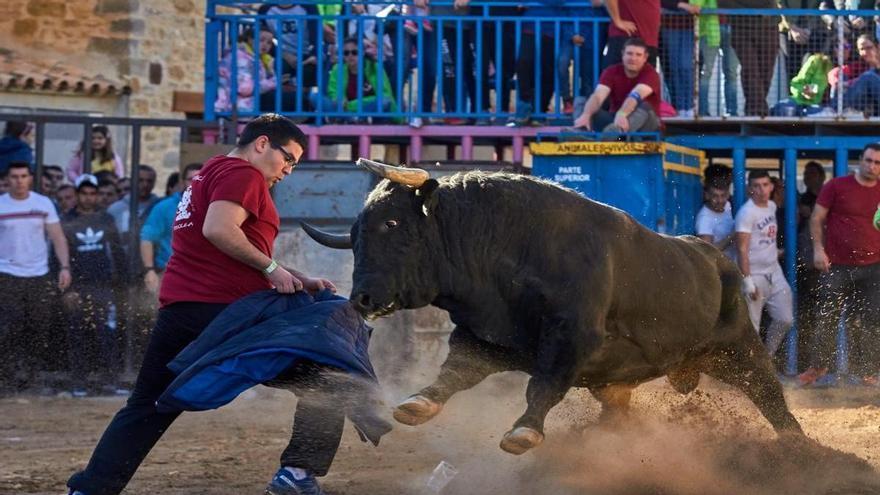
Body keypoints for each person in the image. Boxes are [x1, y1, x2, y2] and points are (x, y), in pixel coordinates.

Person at [67, 114, 340, 495]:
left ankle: (90, 489)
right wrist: (273, 268)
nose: (289, 170)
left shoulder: (210, 172)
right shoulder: (243, 175)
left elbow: (232, 246)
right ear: (262, 144)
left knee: (147, 404)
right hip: (230, 315)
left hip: (183, 309)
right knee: (331, 375)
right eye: (289, 158)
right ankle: (297, 474)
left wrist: (295, 275)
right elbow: (218, 230)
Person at [799, 143, 880, 386]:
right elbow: (816, 218)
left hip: (874, 265)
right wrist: (818, 250)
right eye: (868, 160)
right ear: (859, 159)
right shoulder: (836, 185)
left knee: (872, 320)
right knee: (827, 316)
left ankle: (870, 373)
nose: (872, 166)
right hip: (838, 265)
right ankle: (817, 368)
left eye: (877, 162)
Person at [0, 162, 71, 392]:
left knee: (39, 327)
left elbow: (57, 236)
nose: (19, 181)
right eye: (14, 176)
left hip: (38, 275)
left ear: (30, 178)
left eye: (23, 176)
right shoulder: (1, 204)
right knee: (9, 327)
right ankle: (8, 378)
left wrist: (65, 266)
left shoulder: (43, 203)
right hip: (7, 273)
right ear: (7, 179)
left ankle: (32, 377)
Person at [60, 174, 125, 396]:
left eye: (92, 193)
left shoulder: (106, 219)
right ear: (77, 195)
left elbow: (117, 253)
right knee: (77, 335)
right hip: (77, 287)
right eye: (84, 193)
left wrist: (122, 286)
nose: (88, 198)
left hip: (103, 286)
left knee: (107, 334)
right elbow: (58, 257)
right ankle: (79, 383)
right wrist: (66, 289)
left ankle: (111, 381)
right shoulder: (66, 219)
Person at [734, 170, 794, 358]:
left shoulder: (771, 207)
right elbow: (742, 249)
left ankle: (766, 358)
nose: (761, 190)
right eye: (756, 186)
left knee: (785, 319)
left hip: (774, 271)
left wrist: (774, 252)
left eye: (765, 184)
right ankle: (749, 373)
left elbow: (765, 238)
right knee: (751, 328)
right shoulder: (746, 213)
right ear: (750, 189)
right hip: (755, 274)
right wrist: (748, 280)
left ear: (771, 186)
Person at [573, 37, 662, 134]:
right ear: (622, 54)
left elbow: (635, 96)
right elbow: (598, 96)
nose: (633, 58)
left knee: (645, 106)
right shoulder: (611, 71)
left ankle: (616, 136)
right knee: (581, 101)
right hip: (616, 120)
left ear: (645, 58)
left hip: (645, 126)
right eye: (629, 53)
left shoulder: (651, 74)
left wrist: (622, 113)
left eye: (638, 55)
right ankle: (581, 131)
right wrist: (586, 114)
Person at [140, 163, 203, 295]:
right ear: (182, 182)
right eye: (191, 179)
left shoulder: (214, 206)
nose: (196, 183)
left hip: (203, 275)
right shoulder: (164, 207)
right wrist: (150, 270)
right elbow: (147, 238)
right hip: (169, 273)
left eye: (200, 179)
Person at [310, 37, 399, 122]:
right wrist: (339, 99)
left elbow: (385, 95)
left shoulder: (375, 68)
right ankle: (351, 119)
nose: (350, 56)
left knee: (384, 101)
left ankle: (346, 119)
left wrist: (351, 105)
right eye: (346, 53)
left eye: (355, 52)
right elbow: (333, 91)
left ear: (363, 52)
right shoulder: (338, 69)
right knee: (314, 96)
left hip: (366, 110)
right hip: (343, 110)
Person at [718, 0, 779, 116]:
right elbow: (723, 2)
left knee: (766, 71)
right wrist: (754, 11)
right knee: (751, 70)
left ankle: (753, 110)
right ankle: (759, 111)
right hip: (741, 27)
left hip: (769, 25)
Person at [696, 181, 736, 260]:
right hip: (720, 267)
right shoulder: (704, 220)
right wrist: (732, 236)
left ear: (728, 195)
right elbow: (707, 252)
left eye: (723, 196)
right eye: (715, 196)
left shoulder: (728, 205)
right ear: (707, 196)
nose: (720, 200)